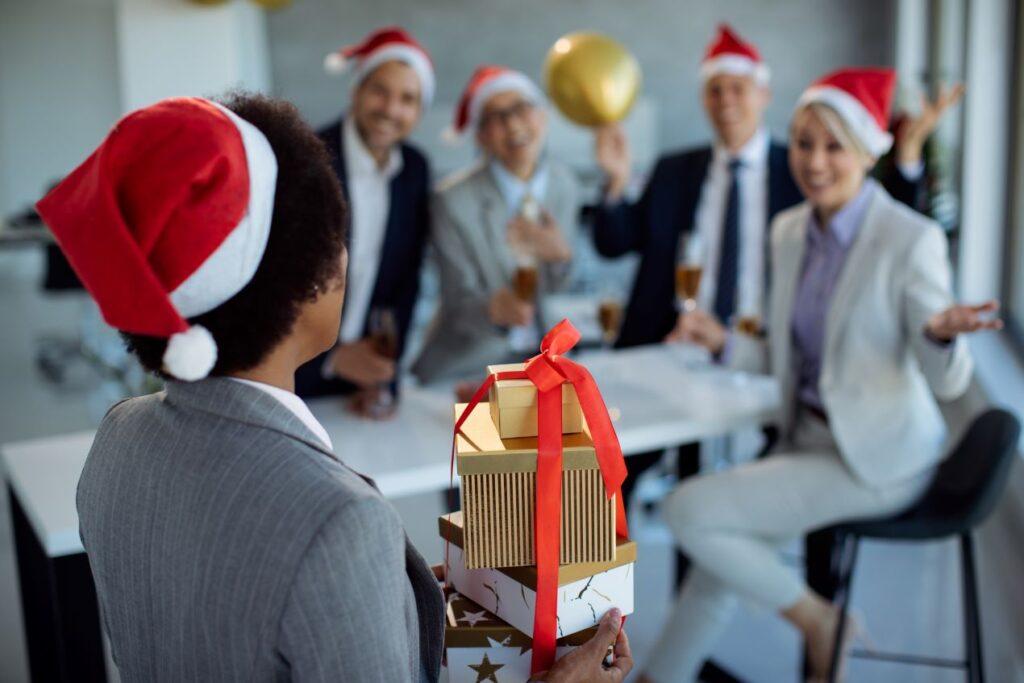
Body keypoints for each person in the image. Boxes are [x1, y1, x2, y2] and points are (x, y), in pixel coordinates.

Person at [37, 93, 632, 682]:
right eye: (334, 235)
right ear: (308, 281)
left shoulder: (119, 433)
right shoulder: (339, 521)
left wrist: (390, 595)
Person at [638, 68, 1001, 683]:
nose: (815, 161)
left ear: (865, 151)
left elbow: (946, 381)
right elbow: (784, 356)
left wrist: (939, 335)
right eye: (804, 143)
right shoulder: (789, 232)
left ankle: (819, 621)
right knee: (720, 561)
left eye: (834, 146)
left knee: (687, 510)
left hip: (879, 459)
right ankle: (659, 677)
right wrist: (723, 341)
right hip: (806, 441)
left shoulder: (909, 239)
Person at [294, 26, 433, 412]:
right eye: (380, 91)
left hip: (362, 384)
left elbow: (406, 282)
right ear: (356, 91)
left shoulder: (416, 170)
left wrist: (383, 372)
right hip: (292, 379)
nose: (391, 109)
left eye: (407, 99)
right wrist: (332, 360)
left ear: (419, 112)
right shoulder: (308, 160)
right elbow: (274, 284)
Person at [413, 65, 580, 383]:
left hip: (542, 364)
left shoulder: (565, 185)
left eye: (521, 108)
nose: (513, 123)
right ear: (481, 136)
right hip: (468, 366)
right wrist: (493, 310)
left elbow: (560, 288)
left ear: (542, 116)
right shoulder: (452, 201)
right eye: (495, 117)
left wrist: (561, 259)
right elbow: (457, 304)